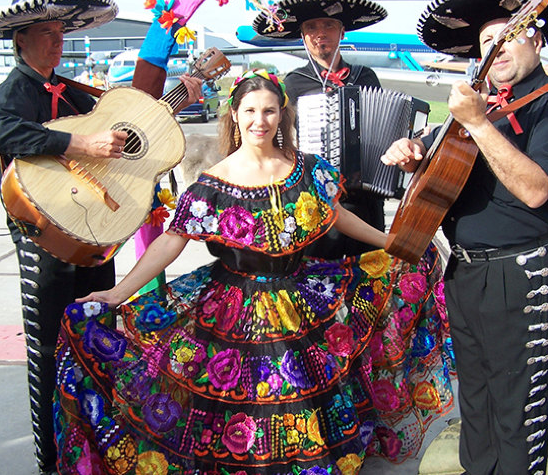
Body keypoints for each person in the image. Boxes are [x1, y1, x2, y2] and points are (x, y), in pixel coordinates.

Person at [63, 70, 453, 474]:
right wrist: (116, 293)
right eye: (249, 110)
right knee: (244, 410)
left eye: (269, 111)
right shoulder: (212, 184)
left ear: (281, 115)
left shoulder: (307, 169)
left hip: (299, 300)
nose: (259, 120)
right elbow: (171, 240)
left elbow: (337, 216)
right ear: (234, 115)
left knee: (297, 402)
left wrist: (387, 242)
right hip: (234, 310)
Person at [0, 0, 200, 473]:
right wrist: (79, 142)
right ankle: (49, 459)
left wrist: (176, 102)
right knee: (46, 352)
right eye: (44, 32)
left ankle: (95, 447)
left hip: (94, 234)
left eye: (59, 30)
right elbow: (1, 131)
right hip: (43, 239)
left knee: (96, 337)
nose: (55, 40)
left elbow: (128, 133)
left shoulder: (75, 88)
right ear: (20, 39)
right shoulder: (11, 91)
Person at [381, 0, 548, 473]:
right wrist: (412, 155)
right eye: (485, 43)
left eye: (507, 36)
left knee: (518, 407)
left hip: (520, 274)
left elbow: (536, 190)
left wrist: (479, 124)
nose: (495, 50)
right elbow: (442, 163)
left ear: (536, 38)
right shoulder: (483, 104)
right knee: (475, 400)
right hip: (464, 273)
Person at [253, 0, 388, 260]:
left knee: (369, 280)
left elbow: (383, 126)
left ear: (342, 31)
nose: (319, 34)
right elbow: (281, 141)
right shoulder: (293, 83)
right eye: (311, 28)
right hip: (318, 201)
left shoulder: (365, 76)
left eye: (328, 25)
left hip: (367, 200)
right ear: (303, 37)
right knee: (321, 283)